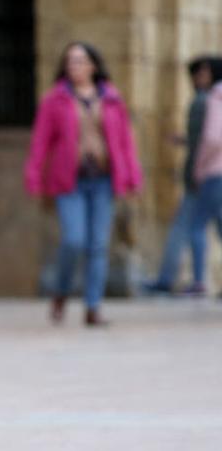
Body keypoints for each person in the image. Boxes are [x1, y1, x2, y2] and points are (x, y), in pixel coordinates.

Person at [25, 42, 142, 326]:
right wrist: (34, 173)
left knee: (98, 245)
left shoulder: (112, 99)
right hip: (70, 181)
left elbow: (125, 142)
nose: (74, 66)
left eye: (80, 61)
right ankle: (61, 291)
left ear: (93, 65)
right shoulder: (55, 100)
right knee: (74, 240)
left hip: (102, 180)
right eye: (70, 61)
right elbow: (41, 141)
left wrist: (132, 176)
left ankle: (92, 307)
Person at [144, 57, 219, 295]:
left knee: (190, 226)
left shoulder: (207, 100)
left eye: (203, 72)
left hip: (208, 175)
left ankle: (187, 280)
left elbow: (209, 140)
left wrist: (197, 169)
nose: (198, 78)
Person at [189, 58, 222, 294]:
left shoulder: (216, 97)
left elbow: (212, 138)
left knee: (197, 225)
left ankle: (199, 280)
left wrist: (198, 166)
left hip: (215, 171)